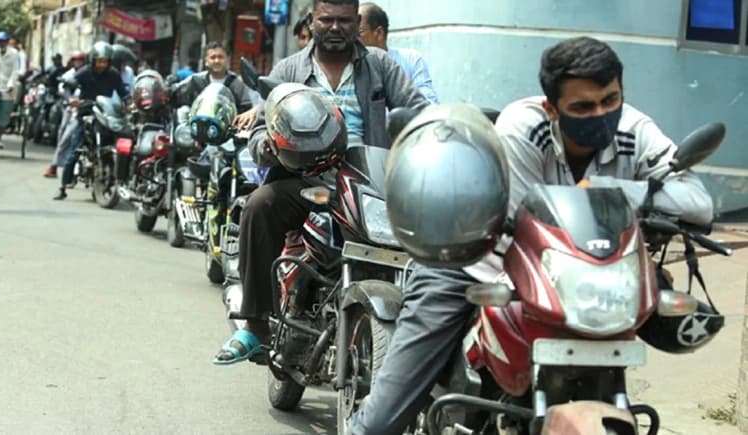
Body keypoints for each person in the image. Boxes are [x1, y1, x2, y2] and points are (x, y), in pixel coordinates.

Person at [348, 36, 717, 435]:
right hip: (482, 265)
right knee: (383, 422)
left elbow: (698, 203)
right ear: (551, 108)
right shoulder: (522, 128)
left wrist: (622, 193)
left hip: (584, 283)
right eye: (582, 107)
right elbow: (515, 225)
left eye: (610, 101)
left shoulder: (634, 128)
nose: (601, 114)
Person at [212, 0, 429, 365]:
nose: (334, 27)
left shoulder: (380, 66)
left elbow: (417, 108)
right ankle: (255, 326)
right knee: (259, 206)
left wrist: (433, 131)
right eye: (326, 19)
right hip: (308, 185)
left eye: (344, 21)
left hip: (367, 181)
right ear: (312, 20)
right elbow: (261, 127)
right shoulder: (289, 68)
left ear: (357, 22)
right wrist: (268, 144)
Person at [53, 42, 128, 199]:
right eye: (99, 61)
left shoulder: (113, 74)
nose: (102, 64)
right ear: (93, 60)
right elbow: (67, 86)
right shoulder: (85, 72)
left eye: (105, 61)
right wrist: (71, 98)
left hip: (106, 113)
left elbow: (123, 93)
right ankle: (63, 186)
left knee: (121, 140)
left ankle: (122, 181)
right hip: (86, 113)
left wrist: (131, 103)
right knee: (75, 149)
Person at [357, 3, 438, 103]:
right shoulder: (349, 67)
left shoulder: (411, 60)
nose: (353, 40)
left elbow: (429, 107)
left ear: (379, 33)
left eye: (358, 33)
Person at [44, 51, 86, 178]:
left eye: (80, 60)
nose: (78, 63)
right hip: (72, 110)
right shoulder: (69, 75)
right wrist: (71, 100)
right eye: (76, 60)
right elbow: (63, 89)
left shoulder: (90, 74)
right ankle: (54, 165)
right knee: (64, 136)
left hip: (89, 109)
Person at [180, 41, 252, 113]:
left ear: (227, 59)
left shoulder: (236, 83)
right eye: (213, 57)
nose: (217, 61)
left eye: (220, 57)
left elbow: (246, 108)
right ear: (206, 61)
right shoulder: (197, 80)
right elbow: (179, 95)